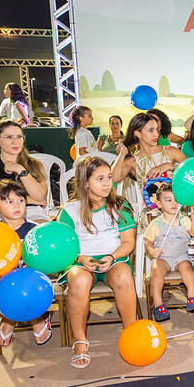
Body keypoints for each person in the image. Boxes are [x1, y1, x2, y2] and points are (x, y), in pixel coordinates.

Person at [58, 156, 138, 368]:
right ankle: (80, 341)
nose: (106, 183)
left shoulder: (119, 206)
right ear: (85, 182)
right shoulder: (69, 211)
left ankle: (131, 333)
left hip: (114, 258)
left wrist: (111, 257)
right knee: (80, 282)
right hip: (80, 261)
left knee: (122, 276)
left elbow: (128, 242)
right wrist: (81, 258)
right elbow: (62, 246)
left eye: (109, 177)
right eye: (100, 178)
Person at [0, 180, 51, 349]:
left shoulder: (34, 230)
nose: (17, 205)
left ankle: (35, 320)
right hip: (3, 279)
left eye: (21, 200)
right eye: (9, 201)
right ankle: (12, 320)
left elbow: (43, 261)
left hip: (31, 280)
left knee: (21, 287)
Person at [144, 184, 194, 321]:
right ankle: (158, 305)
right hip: (163, 257)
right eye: (168, 200)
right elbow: (147, 241)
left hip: (180, 256)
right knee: (157, 270)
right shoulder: (156, 223)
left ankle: (192, 297)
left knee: (186, 268)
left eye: (176, 199)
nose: (174, 203)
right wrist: (152, 250)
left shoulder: (183, 220)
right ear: (159, 204)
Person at [0, 120, 49, 223]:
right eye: (9, 137)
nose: (16, 142)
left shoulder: (35, 164)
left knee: (43, 231)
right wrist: (30, 200)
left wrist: (19, 169)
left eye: (19, 137)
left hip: (31, 211)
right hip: (1, 214)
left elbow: (40, 196)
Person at [111, 112, 187, 188]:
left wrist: (171, 166)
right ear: (138, 133)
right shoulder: (133, 161)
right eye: (151, 130)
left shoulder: (170, 151)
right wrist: (122, 154)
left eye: (156, 129)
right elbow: (114, 178)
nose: (156, 134)